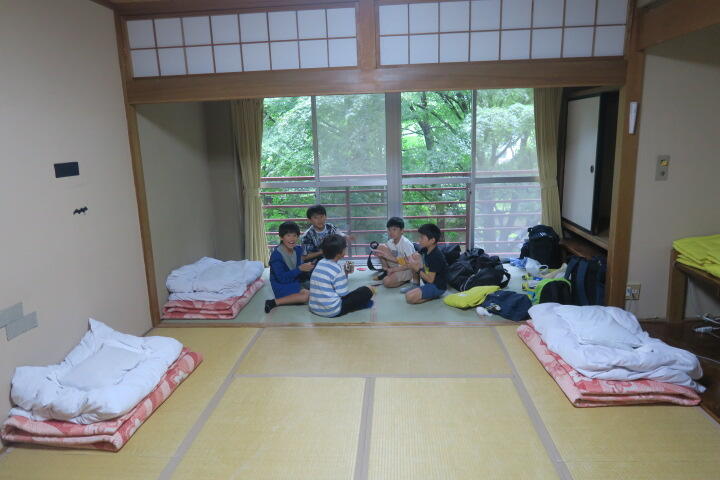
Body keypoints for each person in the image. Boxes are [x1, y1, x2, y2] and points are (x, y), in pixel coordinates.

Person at [309, 234, 375, 317]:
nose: (345, 250)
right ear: (339, 253)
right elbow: (343, 294)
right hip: (331, 310)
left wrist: (345, 274)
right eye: (345, 249)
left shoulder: (320, 262)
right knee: (368, 290)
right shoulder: (337, 269)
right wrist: (345, 274)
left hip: (314, 308)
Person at [265, 221, 315, 313]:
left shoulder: (298, 249)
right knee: (306, 296)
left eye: (295, 235)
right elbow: (282, 278)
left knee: (317, 287)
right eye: (288, 235)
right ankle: (274, 302)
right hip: (281, 285)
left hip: (295, 281)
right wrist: (300, 269)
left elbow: (305, 260)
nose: (292, 239)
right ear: (281, 237)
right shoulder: (276, 255)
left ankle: (301, 291)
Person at [403, 223, 448, 304]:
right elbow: (413, 258)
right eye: (420, 237)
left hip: (437, 286)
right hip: (428, 282)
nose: (419, 239)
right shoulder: (425, 249)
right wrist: (408, 262)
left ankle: (434, 296)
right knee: (414, 257)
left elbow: (430, 280)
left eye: (422, 237)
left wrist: (417, 269)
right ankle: (416, 284)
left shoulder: (436, 256)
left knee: (409, 297)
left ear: (432, 240)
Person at [372, 217, 416, 288]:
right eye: (389, 230)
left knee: (386, 282)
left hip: (407, 268)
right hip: (398, 264)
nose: (391, 232)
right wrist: (378, 252)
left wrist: (394, 269)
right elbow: (389, 255)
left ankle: (406, 279)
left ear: (402, 230)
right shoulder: (390, 241)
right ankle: (386, 271)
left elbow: (410, 264)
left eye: (394, 229)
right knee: (380, 247)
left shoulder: (406, 243)